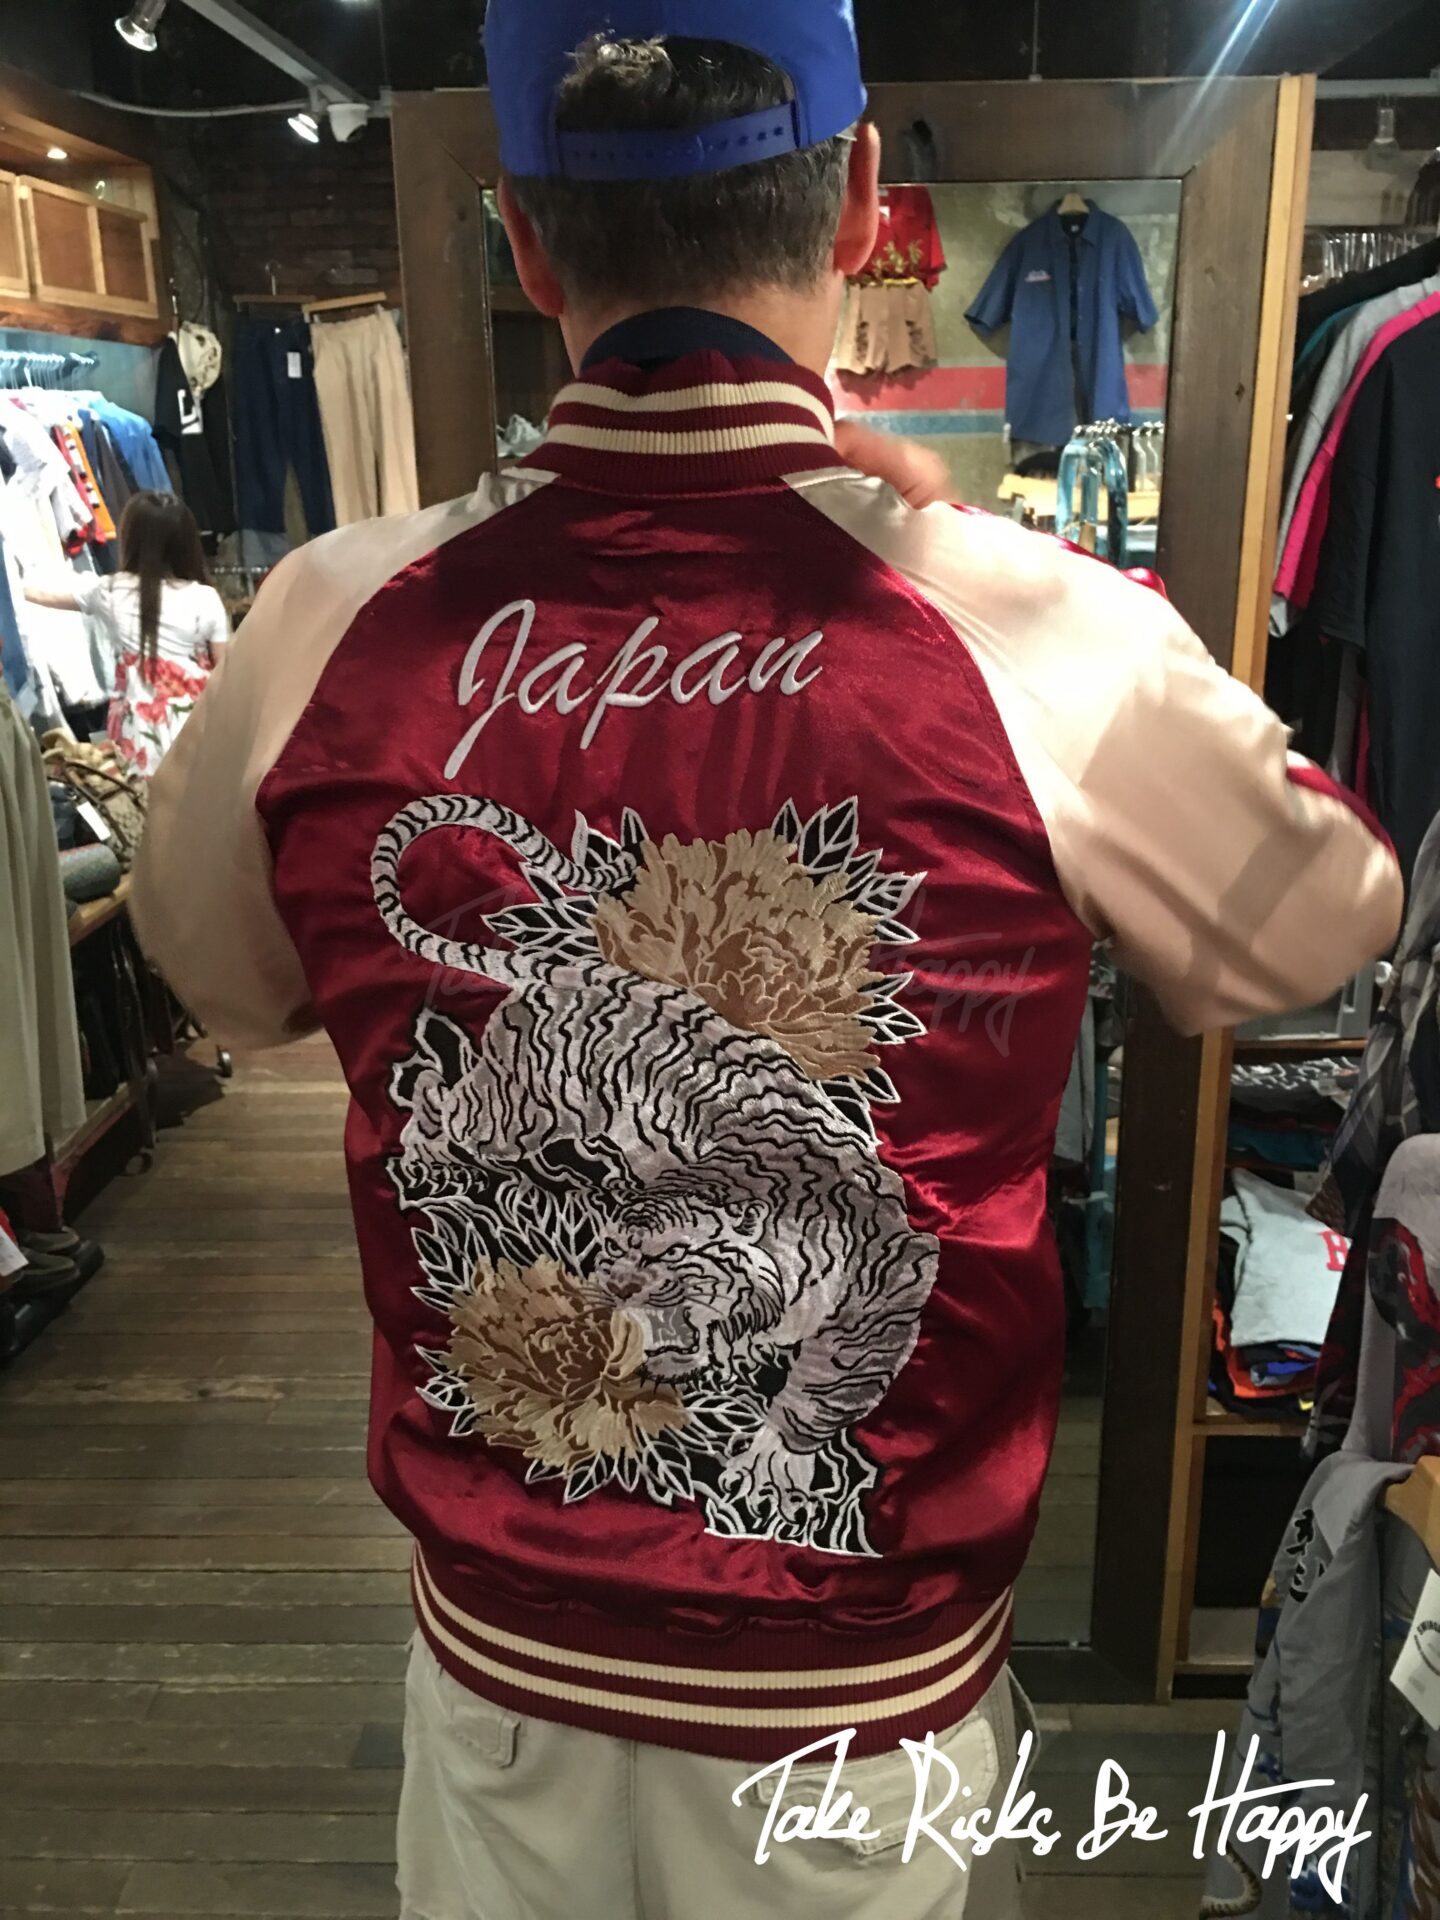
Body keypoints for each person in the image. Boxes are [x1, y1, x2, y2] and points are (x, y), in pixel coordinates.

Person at [132, 5, 1403, 1915]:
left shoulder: (328, 619)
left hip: (508, 1660)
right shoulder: (1031, 632)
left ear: (525, 237)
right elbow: (1335, 914)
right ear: (866, 199)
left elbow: (220, 981)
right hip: (857, 1690)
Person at [25, 491, 228, 774]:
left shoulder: (111, 591)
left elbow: (39, 594)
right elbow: (225, 672)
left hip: (140, 728)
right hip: (201, 721)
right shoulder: (205, 598)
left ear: (131, 538)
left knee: (143, 797)